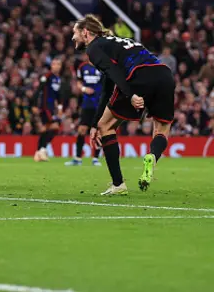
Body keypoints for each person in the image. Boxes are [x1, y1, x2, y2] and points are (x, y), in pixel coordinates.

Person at [71, 15, 175, 196]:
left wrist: (130, 94)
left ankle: (118, 184)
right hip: (164, 74)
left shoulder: (94, 48)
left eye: (75, 33)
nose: (73, 38)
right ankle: (152, 156)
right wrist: (94, 122)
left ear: (86, 32)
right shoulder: (118, 42)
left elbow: (113, 72)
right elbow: (107, 86)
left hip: (138, 76)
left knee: (106, 126)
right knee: (162, 128)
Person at [65, 54, 102, 166]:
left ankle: (95, 158)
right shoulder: (82, 67)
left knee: (98, 131)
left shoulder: (102, 67)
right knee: (81, 130)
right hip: (87, 104)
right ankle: (77, 158)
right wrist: (84, 88)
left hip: (99, 104)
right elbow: (79, 82)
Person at [31, 58, 63, 162]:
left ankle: (38, 152)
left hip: (51, 108)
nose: (56, 66)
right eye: (54, 64)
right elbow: (38, 90)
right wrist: (34, 105)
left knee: (45, 130)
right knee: (55, 127)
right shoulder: (47, 76)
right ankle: (42, 150)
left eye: (58, 64)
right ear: (51, 66)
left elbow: (58, 95)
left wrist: (60, 107)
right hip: (45, 107)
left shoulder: (58, 79)